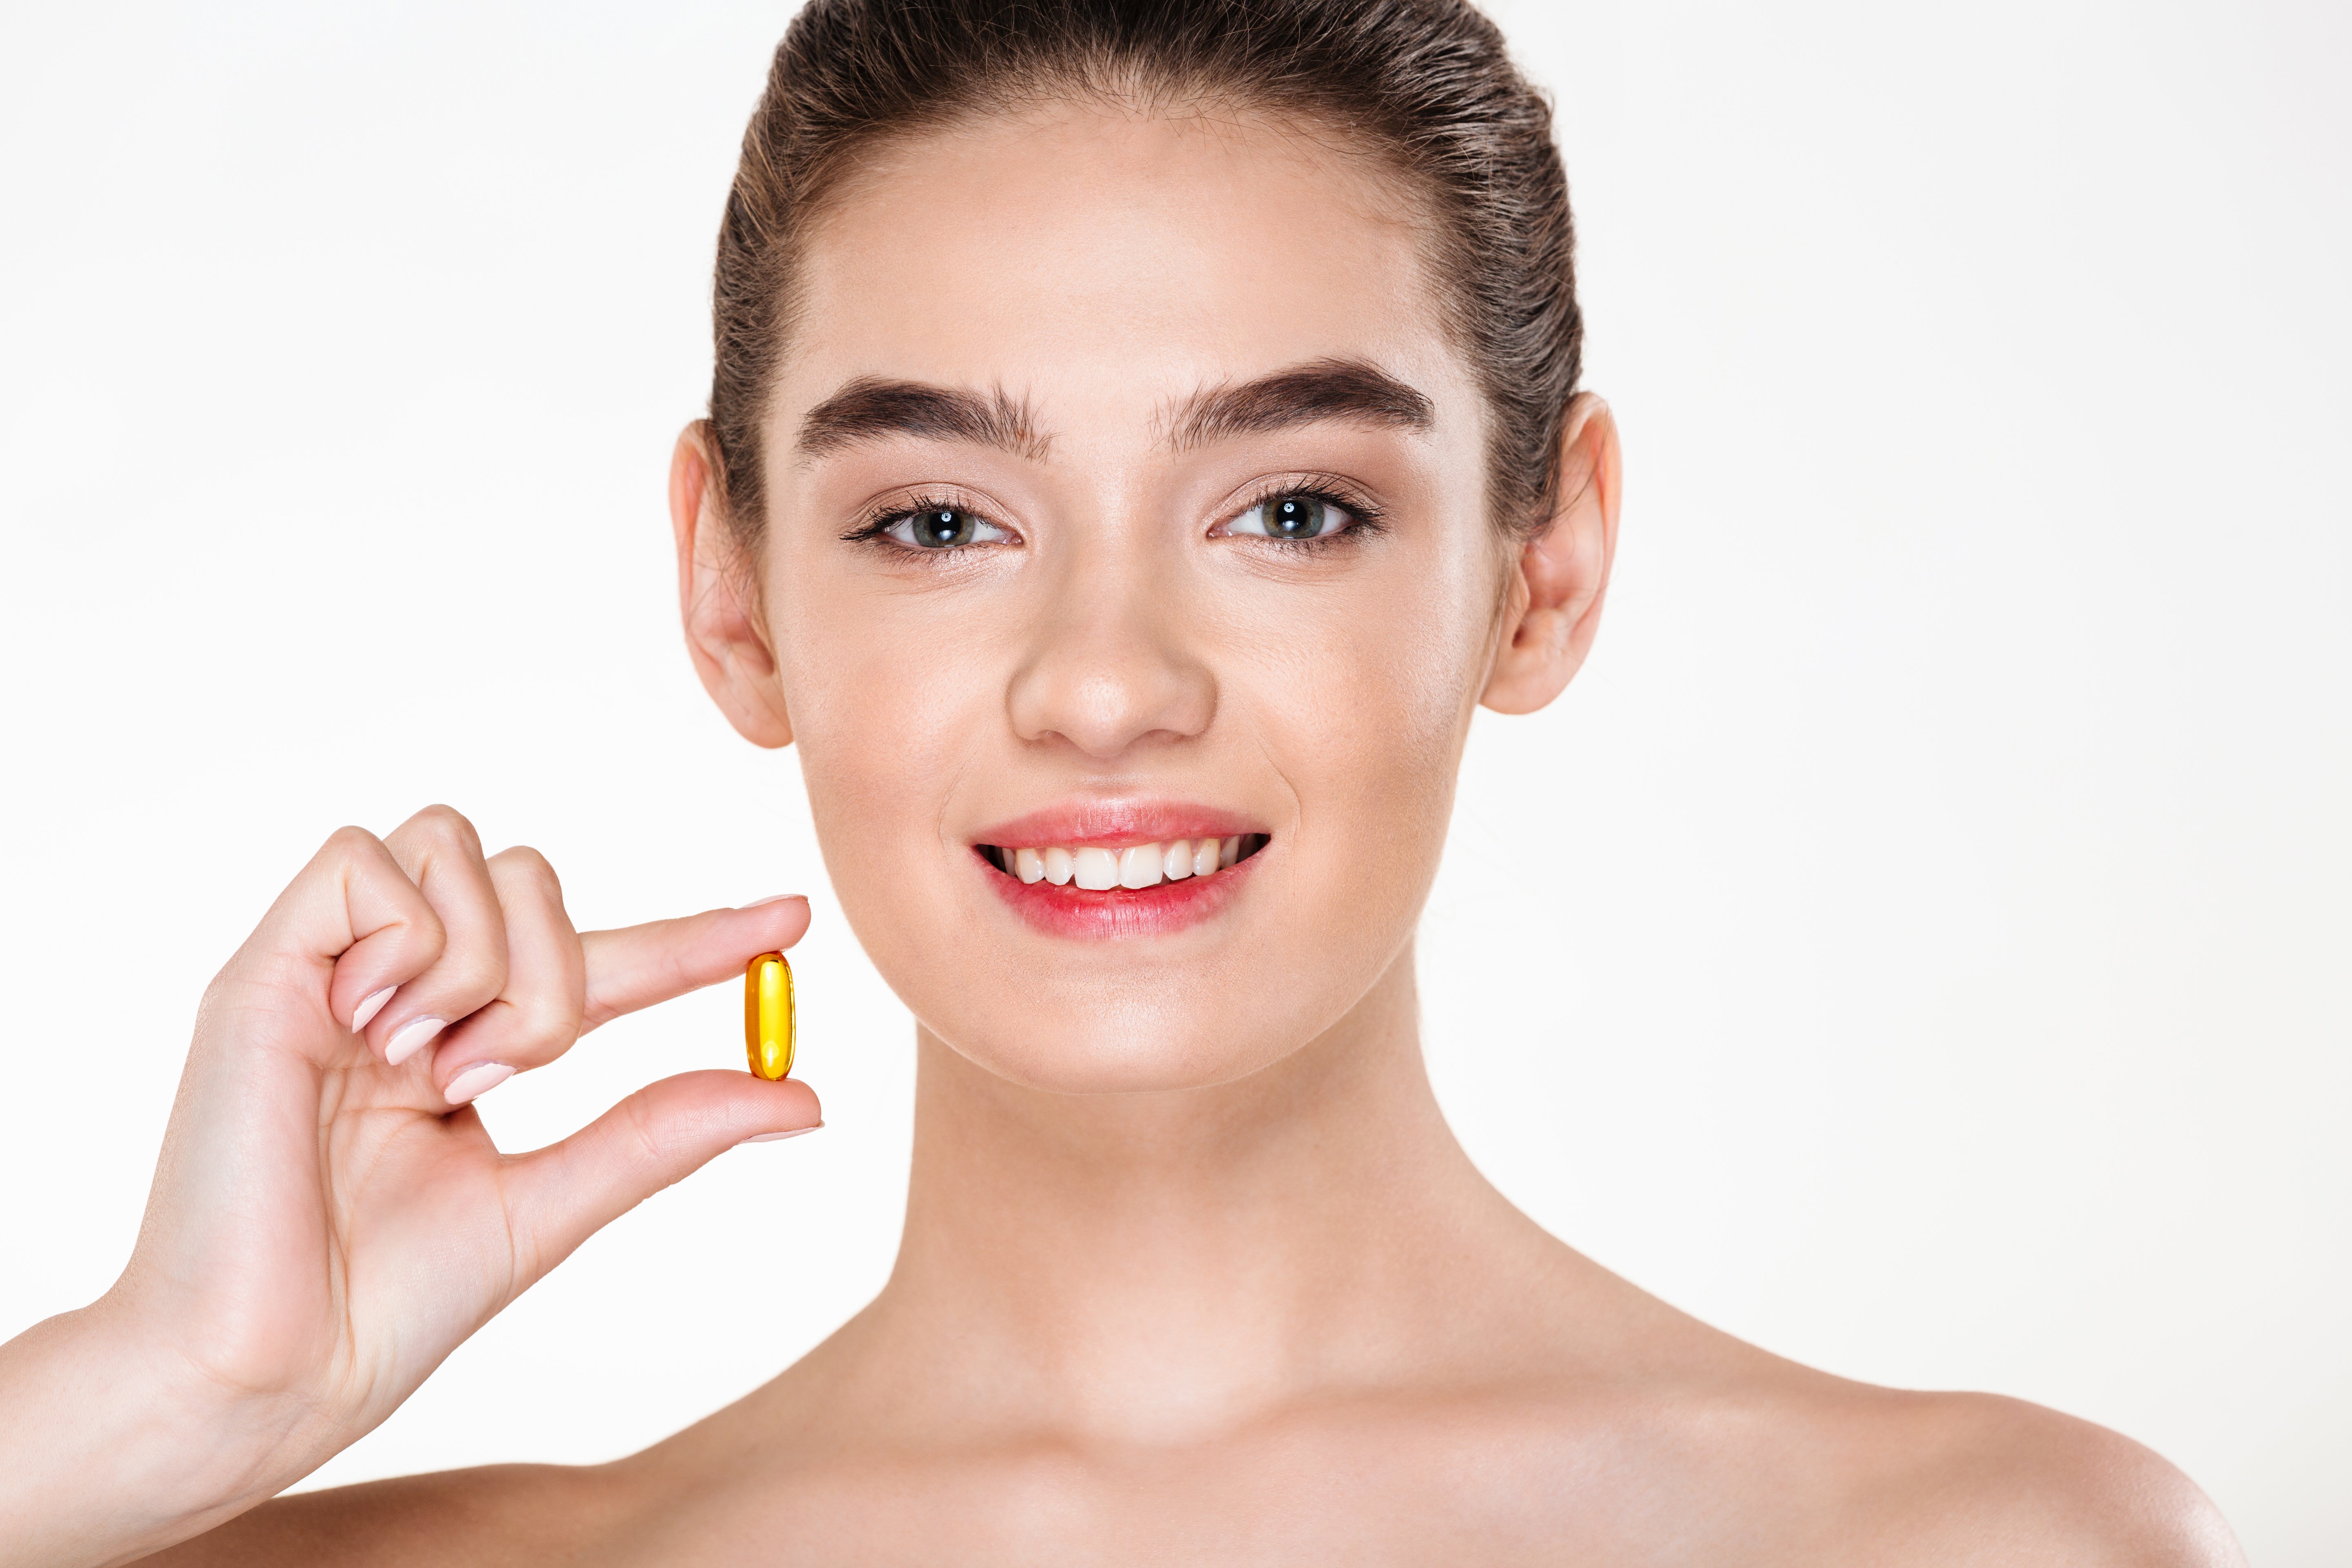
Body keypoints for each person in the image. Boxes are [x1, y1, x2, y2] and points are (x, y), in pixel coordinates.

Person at [0, 2, 2247, 1562]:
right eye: (939, 521)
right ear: (735, 591)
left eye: (1291, 508)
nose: (1102, 687)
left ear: (1542, 567)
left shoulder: (2003, 1548)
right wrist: (146, 1405)